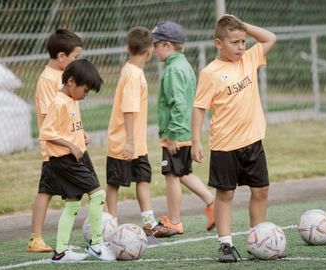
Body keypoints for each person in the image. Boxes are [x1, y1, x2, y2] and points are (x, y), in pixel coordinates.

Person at [191, 15, 276, 262]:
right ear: (219, 43)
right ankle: (225, 244)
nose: (241, 46)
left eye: (243, 41)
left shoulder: (249, 58)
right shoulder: (210, 73)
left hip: (253, 141)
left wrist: (243, 25)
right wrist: (195, 141)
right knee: (225, 194)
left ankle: (257, 239)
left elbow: (271, 38)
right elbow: (199, 108)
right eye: (235, 42)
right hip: (225, 145)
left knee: (261, 190)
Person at [40, 59, 116, 263]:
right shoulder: (59, 102)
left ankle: (61, 252)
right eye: (86, 89)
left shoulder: (72, 100)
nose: (86, 94)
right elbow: (46, 132)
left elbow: (67, 126)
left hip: (74, 157)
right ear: (72, 81)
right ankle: (96, 243)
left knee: (73, 204)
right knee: (98, 194)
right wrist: (70, 145)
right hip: (65, 159)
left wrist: (80, 135)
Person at [105, 26, 175, 238]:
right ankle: (110, 225)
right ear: (150, 52)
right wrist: (129, 141)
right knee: (115, 183)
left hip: (138, 144)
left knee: (143, 178)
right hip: (124, 142)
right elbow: (128, 109)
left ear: (128, 47)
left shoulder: (133, 70)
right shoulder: (133, 75)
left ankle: (148, 222)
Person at [152, 21, 215, 235]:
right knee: (184, 172)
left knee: (171, 175)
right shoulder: (184, 65)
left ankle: (174, 221)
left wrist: (170, 134)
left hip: (176, 134)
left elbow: (178, 104)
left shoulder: (172, 70)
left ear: (168, 45)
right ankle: (210, 201)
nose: (153, 49)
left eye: (156, 45)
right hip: (185, 133)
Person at [28, 29, 83, 253]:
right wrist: (67, 141)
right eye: (75, 57)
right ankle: (36, 238)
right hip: (54, 150)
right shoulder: (47, 81)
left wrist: (81, 131)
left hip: (68, 147)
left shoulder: (62, 78)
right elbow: (51, 118)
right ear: (62, 57)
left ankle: (65, 239)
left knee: (74, 193)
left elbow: (69, 113)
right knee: (47, 191)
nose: (77, 62)